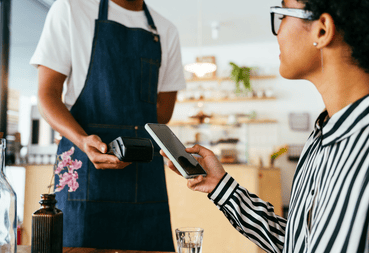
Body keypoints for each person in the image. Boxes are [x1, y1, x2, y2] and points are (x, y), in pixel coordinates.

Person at [163, 0, 369, 252]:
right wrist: (220, 186)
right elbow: (298, 244)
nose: (278, 31)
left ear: (322, 30)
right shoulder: (319, 138)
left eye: (282, 15)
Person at [30, 0, 186, 251]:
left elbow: (163, 112)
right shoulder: (70, 8)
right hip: (84, 169)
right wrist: (82, 140)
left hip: (143, 177)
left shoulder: (165, 30)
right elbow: (47, 94)